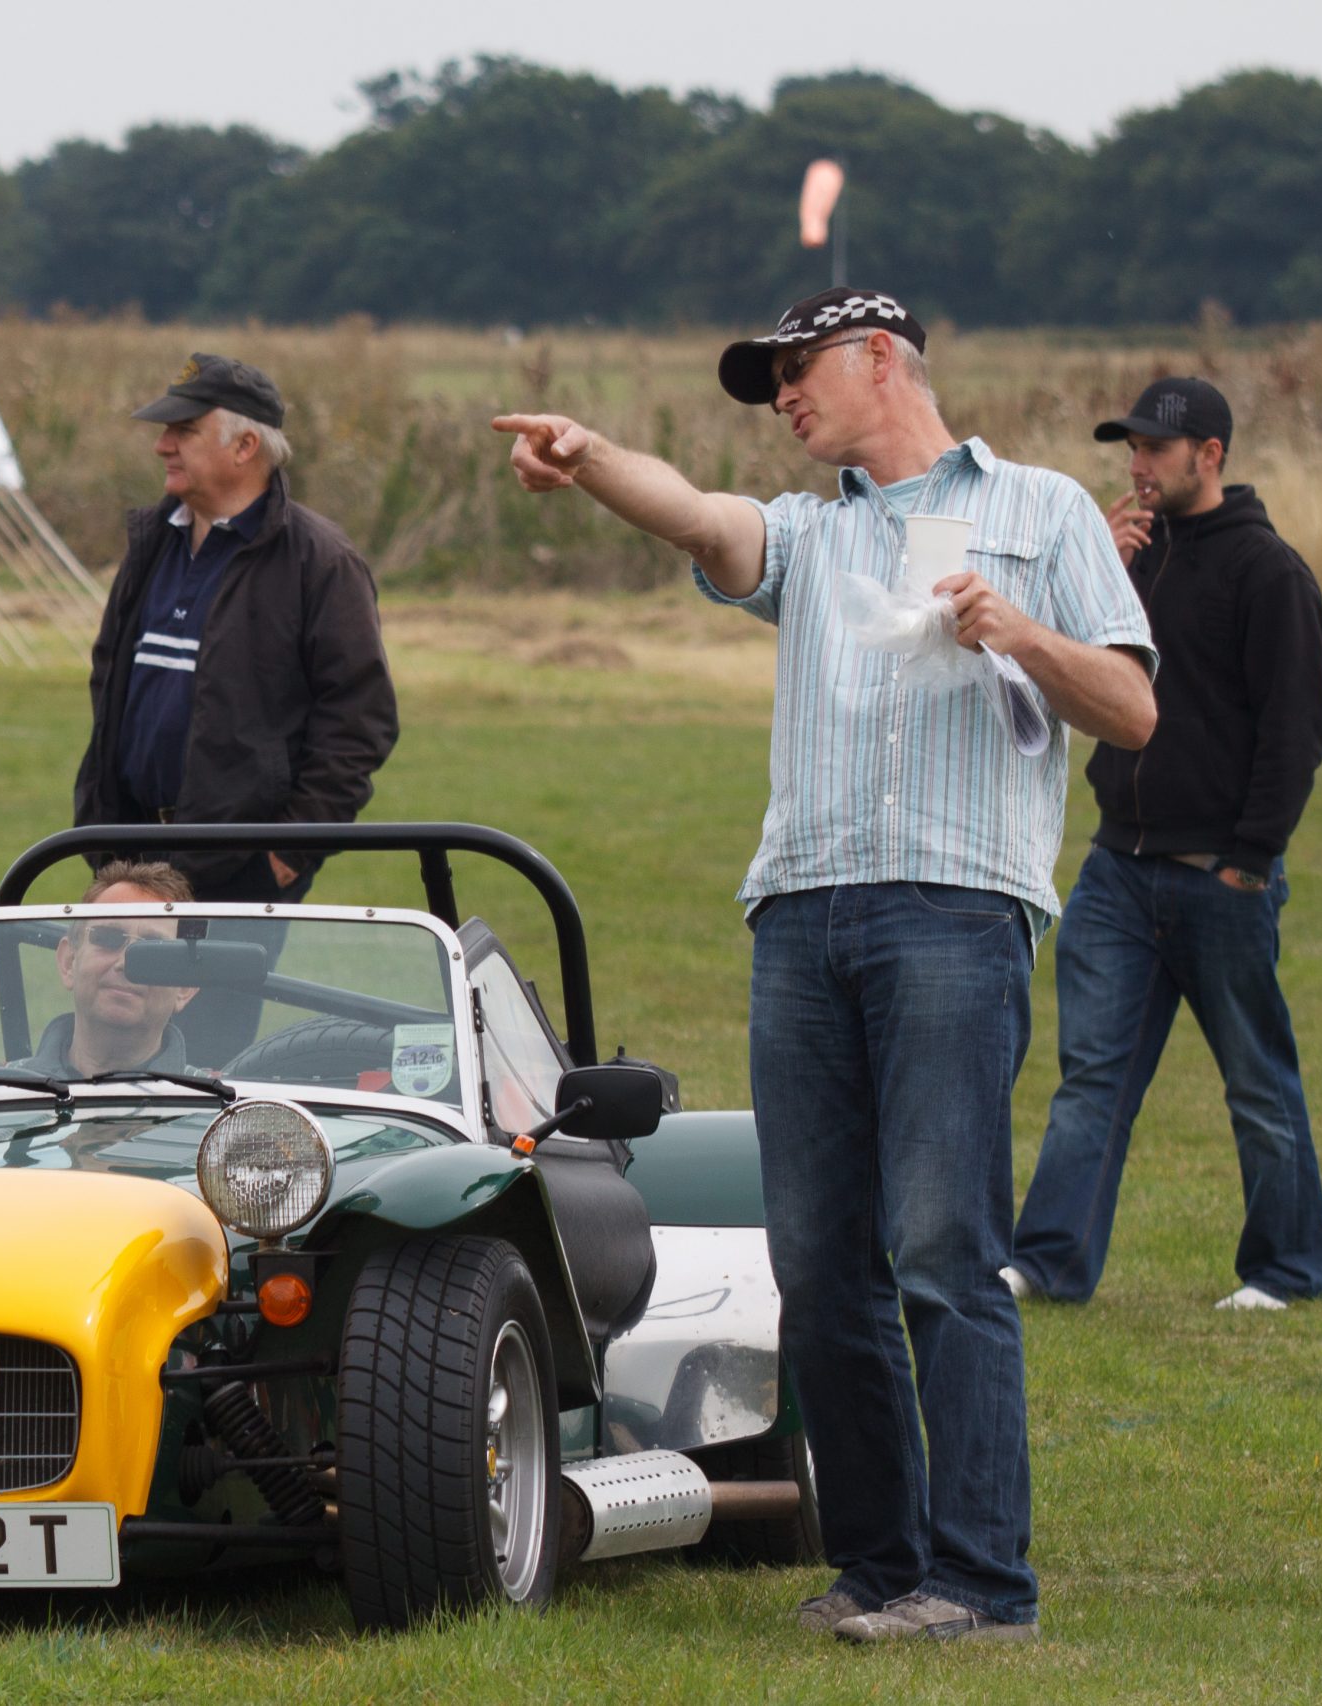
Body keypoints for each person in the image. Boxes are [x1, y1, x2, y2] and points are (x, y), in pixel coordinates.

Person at [496, 287, 1159, 1645]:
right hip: (799, 919)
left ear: (880, 359)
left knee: (942, 1249)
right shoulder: (809, 532)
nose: (783, 399)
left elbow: (1136, 708)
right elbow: (700, 514)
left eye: (797, 373)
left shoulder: (1043, 512)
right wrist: (592, 454)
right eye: (771, 383)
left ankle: (981, 1583)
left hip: (956, 917)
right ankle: (875, 1565)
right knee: (819, 1263)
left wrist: (1017, 632)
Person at [1005, 379, 1322, 1313]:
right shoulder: (1127, 561)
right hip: (1118, 870)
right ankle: (1049, 1263)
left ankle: (1285, 1272)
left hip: (1219, 877)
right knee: (1090, 1081)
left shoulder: (1269, 573)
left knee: (1257, 1088)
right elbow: (1065, 671)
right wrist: (1096, 568)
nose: (1137, 467)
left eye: (1155, 450)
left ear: (1211, 456)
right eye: (1131, 450)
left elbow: (1296, 731)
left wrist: (1250, 859)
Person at [72, 353, 397, 1060]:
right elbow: (111, 678)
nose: (162, 445)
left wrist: (287, 853)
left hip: (237, 877)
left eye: (183, 430)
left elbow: (360, 721)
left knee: (205, 1065)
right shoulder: (153, 540)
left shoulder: (319, 561)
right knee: (104, 1051)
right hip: (125, 865)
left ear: (245, 446)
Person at [19, 862, 199, 1077]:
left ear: (184, 987)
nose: (125, 963)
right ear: (68, 962)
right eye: (107, 938)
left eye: (154, 949)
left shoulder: (222, 1105)